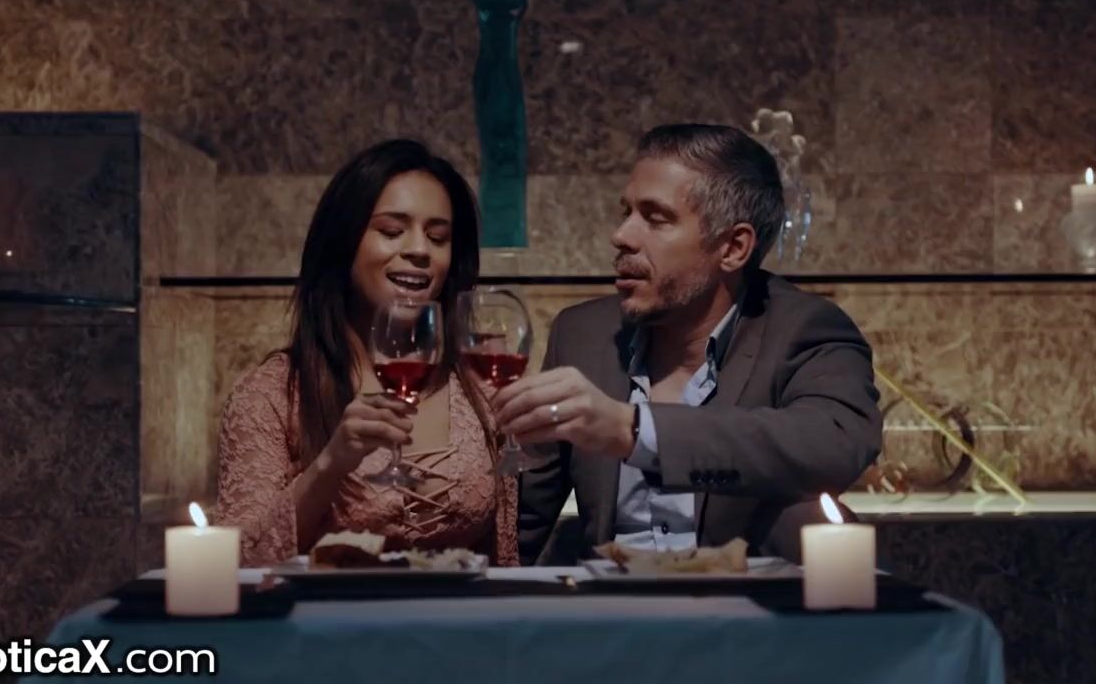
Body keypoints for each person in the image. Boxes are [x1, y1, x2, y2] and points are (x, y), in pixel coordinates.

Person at [500, 124, 882, 564]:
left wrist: (634, 430)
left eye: (655, 218)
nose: (622, 235)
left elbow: (836, 445)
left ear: (733, 248)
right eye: (626, 212)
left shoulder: (804, 329)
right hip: (610, 601)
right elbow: (519, 522)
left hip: (742, 603)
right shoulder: (583, 334)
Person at [216, 139, 516, 566]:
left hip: (461, 611)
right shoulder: (271, 396)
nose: (419, 250)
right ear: (342, 243)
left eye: (438, 237)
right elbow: (236, 562)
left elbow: (503, 555)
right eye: (392, 231)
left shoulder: (479, 386)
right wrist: (330, 464)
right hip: (324, 611)